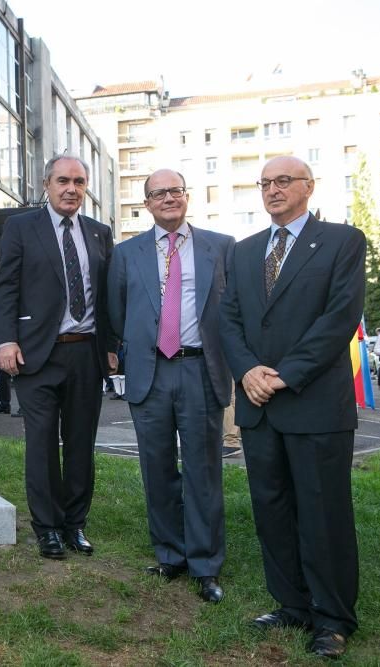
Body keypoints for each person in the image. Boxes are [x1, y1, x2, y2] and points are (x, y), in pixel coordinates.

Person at [220, 156, 365, 659]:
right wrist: (247, 371)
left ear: (309, 186)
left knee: (322, 513)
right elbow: (229, 319)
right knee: (272, 510)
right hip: (259, 406)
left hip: (314, 404)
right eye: (265, 183)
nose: (273, 189)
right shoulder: (243, 252)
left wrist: (282, 375)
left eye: (284, 181)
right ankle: (291, 603)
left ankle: (332, 617)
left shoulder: (343, 242)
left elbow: (338, 318)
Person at [107, 168, 234, 603]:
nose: (168, 198)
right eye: (158, 193)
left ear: (187, 196)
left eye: (175, 191)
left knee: (203, 471)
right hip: (151, 372)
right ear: (146, 204)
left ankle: (205, 564)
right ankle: (170, 554)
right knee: (157, 469)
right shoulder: (126, 254)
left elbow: (233, 310)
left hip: (200, 370)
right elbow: (116, 312)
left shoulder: (221, 247)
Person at [0, 155, 118, 560]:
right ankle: (47, 527)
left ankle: (74, 524)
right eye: (63, 180)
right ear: (46, 184)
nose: (72, 189)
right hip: (36, 354)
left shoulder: (100, 233)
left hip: (86, 353)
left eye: (80, 182)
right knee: (43, 442)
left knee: (81, 443)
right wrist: (5, 340)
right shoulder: (21, 227)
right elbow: (6, 288)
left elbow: (108, 296)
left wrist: (113, 347)